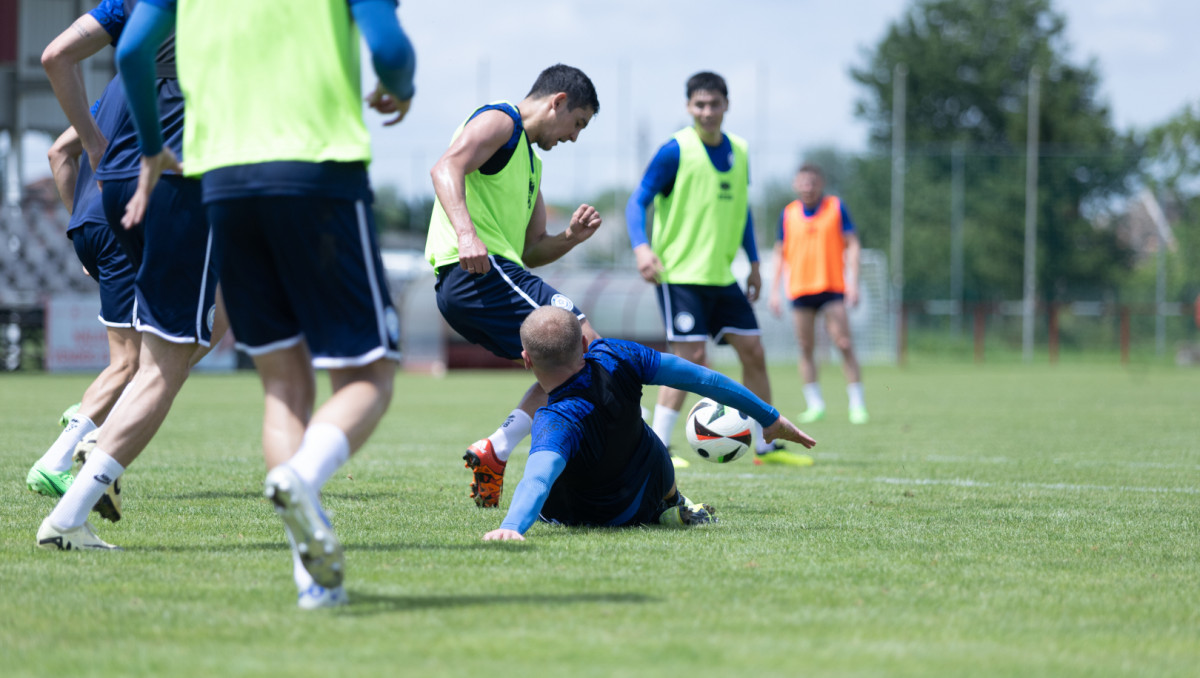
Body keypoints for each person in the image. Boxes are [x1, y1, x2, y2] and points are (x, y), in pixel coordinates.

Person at [111, 0, 415, 609]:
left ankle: (314, 584)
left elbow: (130, 52)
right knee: (369, 375)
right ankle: (302, 477)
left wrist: (151, 146)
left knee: (283, 386)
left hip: (222, 182)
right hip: (318, 173)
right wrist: (398, 88)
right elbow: (390, 49)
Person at [31, 1, 226, 535]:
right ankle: (85, 468)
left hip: (113, 188)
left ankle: (97, 451)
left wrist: (95, 145)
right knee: (162, 359)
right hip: (176, 181)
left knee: (170, 344)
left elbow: (56, 56)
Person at [424, 64, 602, 509]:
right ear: (557, 101)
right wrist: (466, 232)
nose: (575, 137)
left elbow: (532, 249)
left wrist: (570, 239)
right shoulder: (501, 120)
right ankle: (629, 457)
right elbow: (446, 166)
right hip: (474, 273)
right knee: (586, 341)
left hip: (492, 274)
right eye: (577, 123)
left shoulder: (531, 164)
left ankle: (497, 450)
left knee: (568, 361)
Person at [482, 307, 816, 541]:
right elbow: (703, 378)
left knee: (561, 470)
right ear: (585, 344)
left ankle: (672, 504)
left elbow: (537, 478)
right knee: (645, 436)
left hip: (580, 516)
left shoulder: (553, 419)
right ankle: (674, 503)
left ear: (526, 361)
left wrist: (512, 526)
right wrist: (769, 418)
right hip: (643, 498)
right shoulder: (616, 355)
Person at [626, 71, 808, 468]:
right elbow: (637, 201)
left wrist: (756, 264)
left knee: (754, 351)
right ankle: (659, 448)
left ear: (727, 105)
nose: (707, 112)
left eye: (714, 104)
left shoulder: (740, 151)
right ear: (689, 107)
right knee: (690, 357)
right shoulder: (675, 150)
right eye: (699, 105)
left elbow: (740, 212)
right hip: (679, 275)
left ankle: (764, 445)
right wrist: (642, 249)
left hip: (723, 277)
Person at [25, 89, 138, 518]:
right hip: (124, 222)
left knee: (141, 361)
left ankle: (92, 410)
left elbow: (58, 153)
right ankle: (61, 455)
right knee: (133, 364)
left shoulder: (113, 91)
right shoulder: (167, 82)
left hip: (92, 226)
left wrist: (79, 222)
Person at [768, 164, 868, 424]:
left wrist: (854, 282)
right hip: (800, 289)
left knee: (844, 344)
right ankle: (815, 404)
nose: (808, 187)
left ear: (820, 184)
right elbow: (779, 252)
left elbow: (853, 244)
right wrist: (774, 292)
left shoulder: (836, 208)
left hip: (832, 286)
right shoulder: (789, 214)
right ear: (796, 185)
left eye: (812, 183)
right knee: (805, 347)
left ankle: (857, 404)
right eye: (803, 183)